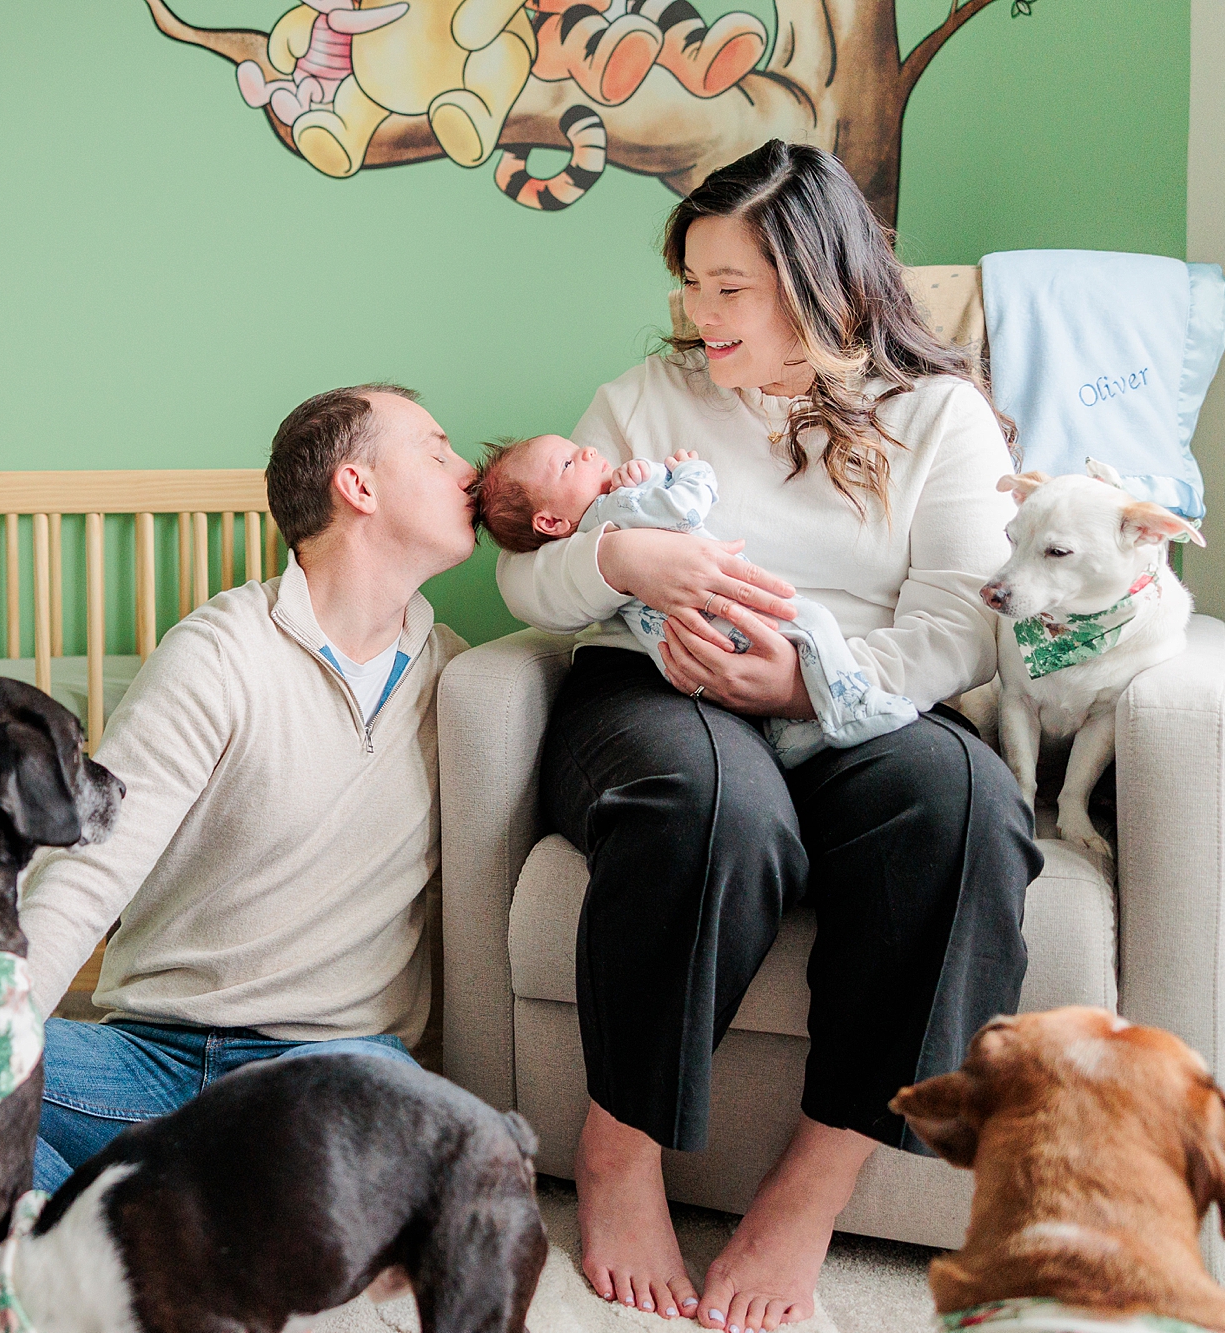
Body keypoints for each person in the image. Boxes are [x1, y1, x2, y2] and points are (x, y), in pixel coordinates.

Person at [495, 141, 1044, 1331]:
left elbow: (958, 622)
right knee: (711, 808)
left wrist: (803, 686)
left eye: (727, 285)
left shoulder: (937, 414)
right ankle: (619, 1152)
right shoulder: (645, 400)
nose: (698, 312)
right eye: (690, 282)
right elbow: (525, 586)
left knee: (967, 810)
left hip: (854, 696)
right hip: (656, 690)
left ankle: (809, 1187)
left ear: (818, 278)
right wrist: (612, 556)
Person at [17, 383, 476, 1192]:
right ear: (358, 486)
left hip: (326, 1072)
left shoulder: (459, 679)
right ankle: (71, 1247)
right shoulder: (219, 651)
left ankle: (114, 1223)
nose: (467, 470)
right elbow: (90, 866)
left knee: (380, 1144)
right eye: (437, 451)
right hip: (147, 1059)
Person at [468, 436, 919, 765]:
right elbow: (683, 509)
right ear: (549, 523)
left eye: (574, 447)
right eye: (567, 464)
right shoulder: (614, 508)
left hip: (684, 649)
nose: (585, 451)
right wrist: (689, 470)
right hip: (718, 615)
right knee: (814, 622)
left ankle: (791, 730)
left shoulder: (592, 526)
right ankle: (852, 707)